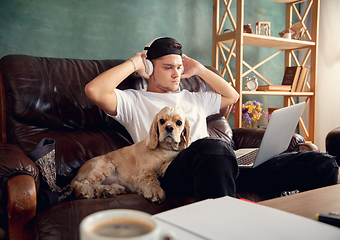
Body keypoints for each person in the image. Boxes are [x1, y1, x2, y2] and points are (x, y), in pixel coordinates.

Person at [85, 37, 338, 201]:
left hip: (223, 164)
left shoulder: (194, 97)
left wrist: (202, 71)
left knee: (320, 162)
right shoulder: (133, 100)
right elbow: (94, 91)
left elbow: (233, 96)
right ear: (149, 69)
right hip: (174, 170)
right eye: (168, 67)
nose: (176, 74)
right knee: (212, 147)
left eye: (179, 68)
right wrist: (133, 63)